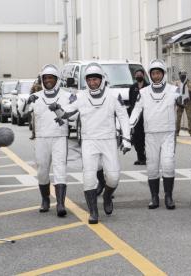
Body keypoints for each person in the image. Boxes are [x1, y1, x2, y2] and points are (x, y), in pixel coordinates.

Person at [49, 62, 131, 224]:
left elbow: (123, 116)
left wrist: (127, 139)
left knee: (113, 177)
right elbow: (66, 113)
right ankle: (93, 212)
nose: (92, 83)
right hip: (89, 141)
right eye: (89, 80)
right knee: (88, 177)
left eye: (95, 79)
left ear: (102, 79)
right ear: (86, 81)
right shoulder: (80, 97)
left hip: (108, 140)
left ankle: (107, 196)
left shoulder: (113, 96)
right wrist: (57, 108)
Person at [129, 59, 181, 210]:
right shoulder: (143, 92)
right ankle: (154, 197)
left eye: (158, 73)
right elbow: (136, 111)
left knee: (168, 164)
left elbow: (184, 101)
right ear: (150, 75)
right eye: (153, 73)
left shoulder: (173, 90)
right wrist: (129, 127)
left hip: (168, 133)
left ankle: (169, 197)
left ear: (163, 74)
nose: (156, 76)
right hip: (150, 134)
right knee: (152, 166)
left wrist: (183, 90)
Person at [24, 64, 72, 217]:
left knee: (60, 169)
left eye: (51, 78)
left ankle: (60, 204)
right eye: (45, 78)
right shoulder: (37, 97)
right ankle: (45, 199)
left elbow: (73, 115)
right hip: (42, 138)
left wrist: (60, 111)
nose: (48, 80)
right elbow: (21, 112)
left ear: (57, 79)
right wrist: (27, 101)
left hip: (59, 137)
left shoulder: (66, 95)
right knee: (42, 171)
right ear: (42, 80)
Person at [127, 69, 148, 165]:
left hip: (145, 117)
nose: (138, 76)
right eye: (137, 74)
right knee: (136, 138)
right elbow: (131, 102)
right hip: (135, 118)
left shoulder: (148, 87)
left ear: (143, 75)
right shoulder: (132, 87)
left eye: (140, 74)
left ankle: (144, 157)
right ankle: (140, 157)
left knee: (144, 138)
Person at [175, 70, 191, 136]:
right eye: (181, 75)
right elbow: (174, 91)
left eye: (184, 75)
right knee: (178, 118)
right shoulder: (178, 82)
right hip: (180, 102)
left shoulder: (190, 83)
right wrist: (176, 100)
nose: (182, 76)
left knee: (190, 117)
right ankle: (177, 132)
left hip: (188, 101)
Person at [28, 76, 42, 140]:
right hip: (36, 105)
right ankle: (33, 134)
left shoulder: (45, 86)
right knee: (33, 121)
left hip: (43, 105)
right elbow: (31, 94)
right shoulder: (35, 85)